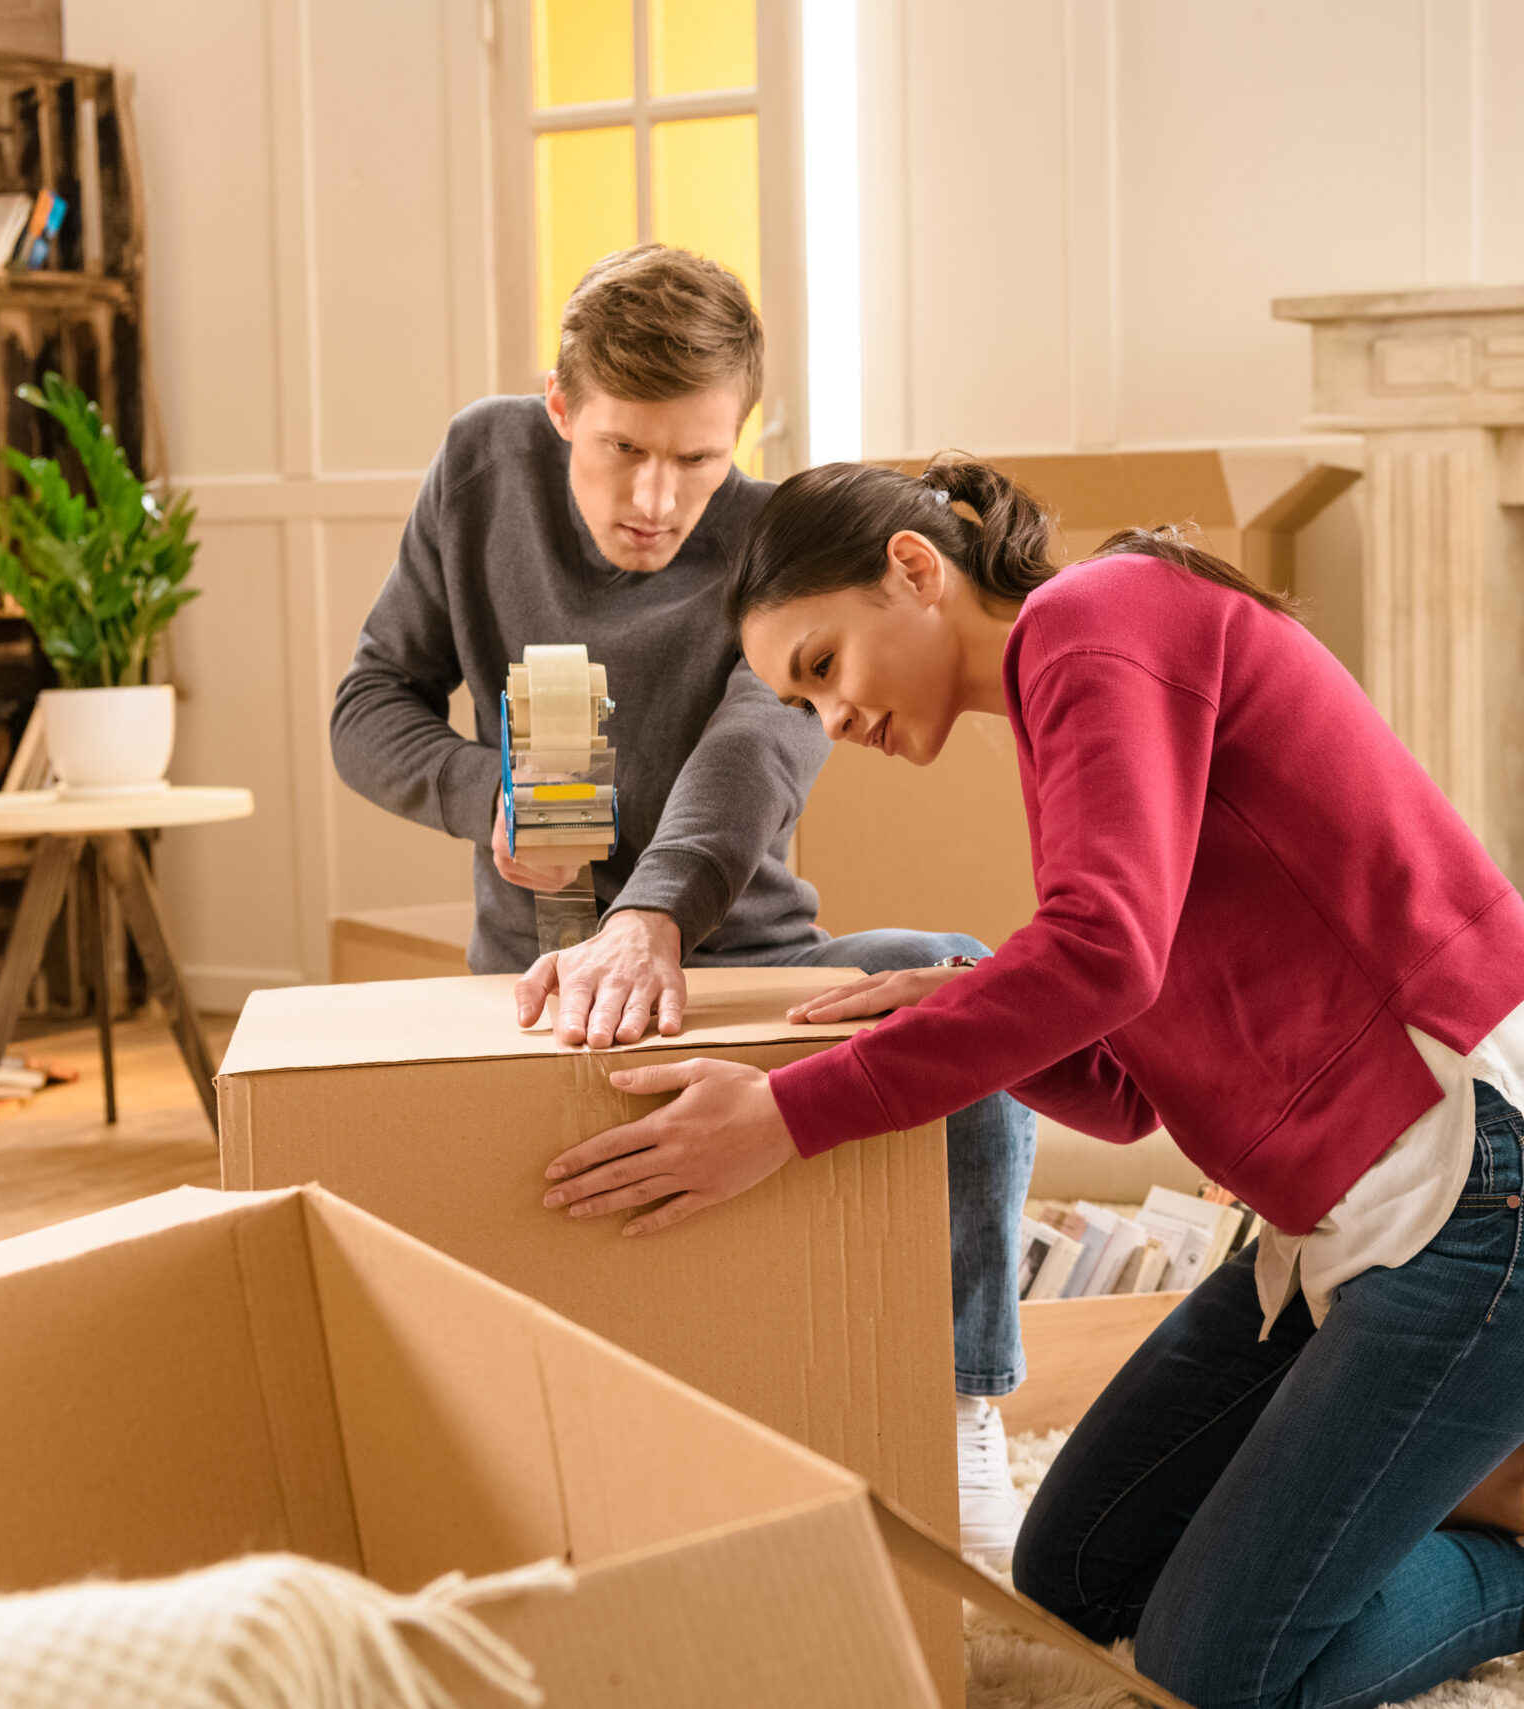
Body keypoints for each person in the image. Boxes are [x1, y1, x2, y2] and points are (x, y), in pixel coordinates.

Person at [538, 456, 1524, 1705]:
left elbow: (1101, 955)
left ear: (914, 570)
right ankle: (1485, 1465)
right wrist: (964, 1004)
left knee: (1220, 1674)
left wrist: (785, 1112)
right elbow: (1130, 1090)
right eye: (802, 702)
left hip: (1496, 1206)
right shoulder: (1065, 701)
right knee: (1076, 1567)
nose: (835, 720)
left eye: (824, 667)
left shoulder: (1098, 622)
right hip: (1344, 1230)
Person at [327, 249, 1039, 1564]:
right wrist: (483, 791)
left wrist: (651, 915)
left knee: (963, 977)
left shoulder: (775, 541)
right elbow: (367, 708)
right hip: (532, 986)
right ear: (558, 405)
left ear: (743, 437)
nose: (657, 500)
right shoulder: (480, 469)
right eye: (624, 451)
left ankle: (962, 1406)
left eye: (699, 461)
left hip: (743, 960)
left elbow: (755, 752)